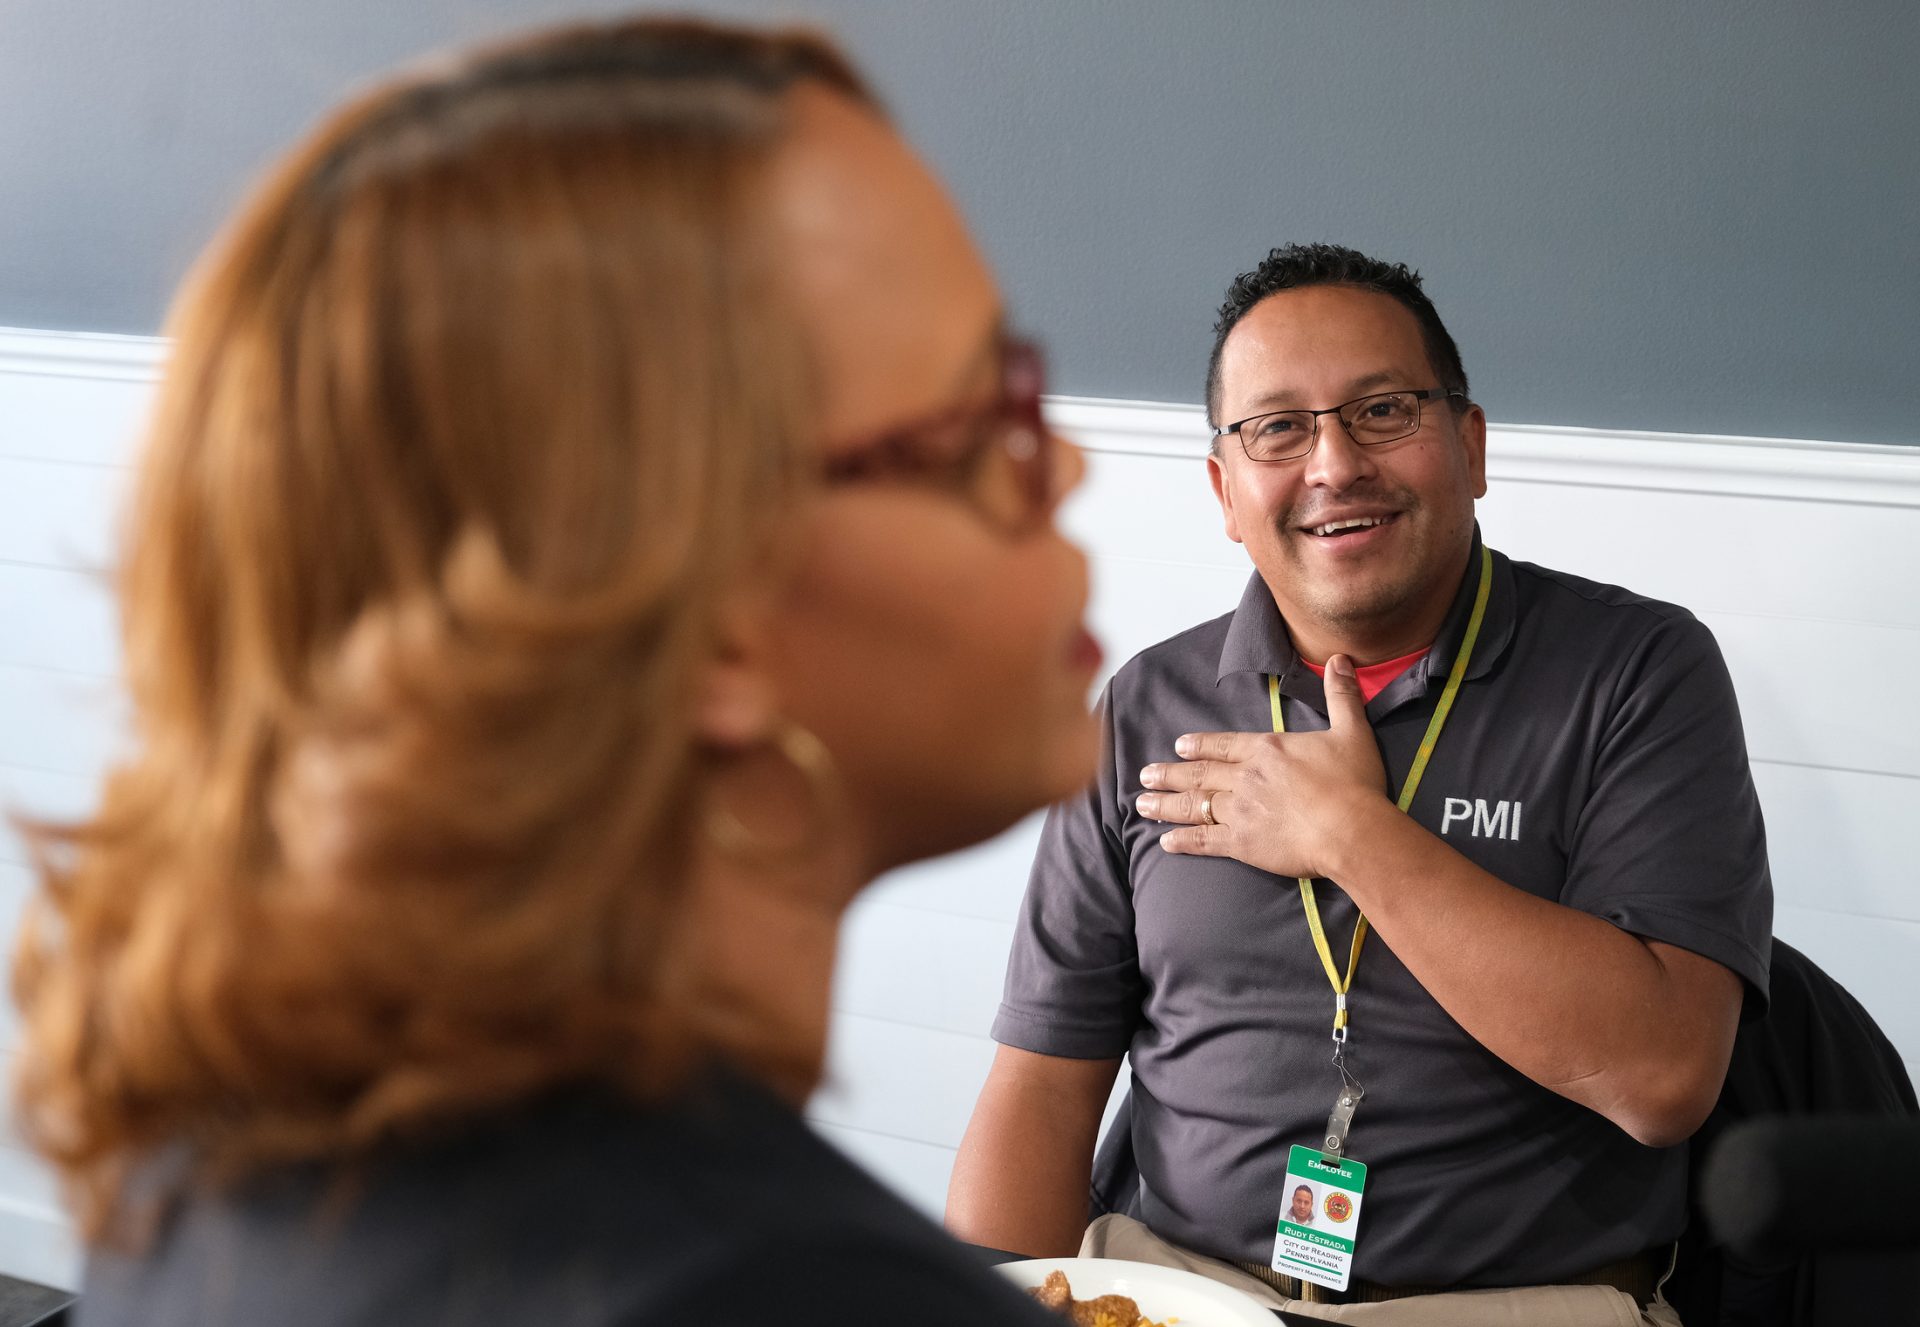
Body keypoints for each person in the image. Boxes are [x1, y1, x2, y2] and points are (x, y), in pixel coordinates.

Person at [11, 19, 1100, 1326]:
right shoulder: (789, 1295)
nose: (1070, 471)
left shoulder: (224, 1167)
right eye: (992, 416)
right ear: (708, 615)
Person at [947, 244, 1773, 1325]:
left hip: (1510, 1308)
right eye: (1278, 429)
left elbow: (1663, 1078)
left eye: (1383, 410)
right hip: (1171, 1290)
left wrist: (1353, 836)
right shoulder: (1150, 706)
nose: (1333, 463)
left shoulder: (1638, 672)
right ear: (1226, 492)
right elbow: (1040, 1086)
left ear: (1470, 446)